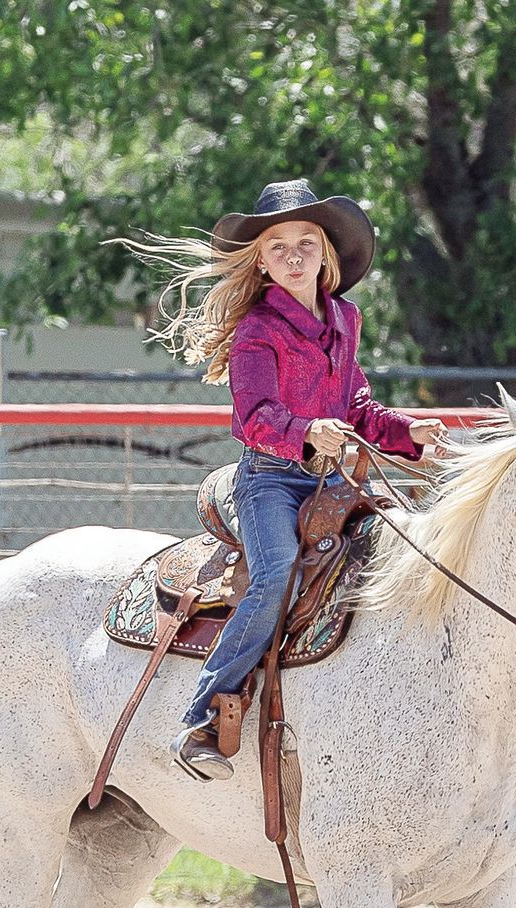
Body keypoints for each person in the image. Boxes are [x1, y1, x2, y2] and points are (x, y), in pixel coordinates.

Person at [125, 179, 445, 780]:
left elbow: (360, 409)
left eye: (305, 242)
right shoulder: (256, 330)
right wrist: (307, 432)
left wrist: (409, 433)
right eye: (278, 246)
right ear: (262, 261)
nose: (293, 255)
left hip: (332, 480)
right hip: (270, 478)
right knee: (274, 575)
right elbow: (254, 418)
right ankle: (201, 715)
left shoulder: (345, 319)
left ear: (325, 253)